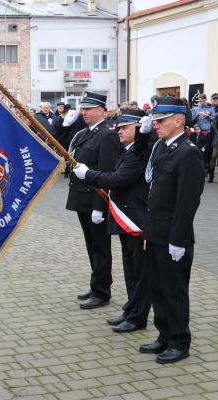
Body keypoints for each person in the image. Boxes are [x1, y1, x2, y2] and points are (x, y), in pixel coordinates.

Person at [73, 109, 151, 333]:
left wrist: (88, 175)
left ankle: (138, 317)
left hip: (136, 220)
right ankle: (131, 310)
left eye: (125, 127)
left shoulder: (140, 152)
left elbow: (117, 179)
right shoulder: (128, 150)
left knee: (139, 273)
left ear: (139, 129)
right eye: (119, 127)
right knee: (130, 270)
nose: (119, 131)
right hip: (126, 219)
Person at [140, 97, 205, 364]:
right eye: (155, 121)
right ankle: (164, 335)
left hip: (173, 237)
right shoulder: (162, 147)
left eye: (161, 121)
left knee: (174, 291)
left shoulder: (188, 153)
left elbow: (187, 202)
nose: (156, 125)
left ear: (179, 121)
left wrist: (177, 240)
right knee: (157, 288)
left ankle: (179, 342)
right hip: (155, 232)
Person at [66, 92, 122, 309]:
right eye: (83, 109)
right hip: (82, 198)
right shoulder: (84, 133)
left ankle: (102, 292)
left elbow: (106, 172)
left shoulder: (107, 135)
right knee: (92, 246)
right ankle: (96, 284)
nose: (84, 112)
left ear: (102, 111)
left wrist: (100, 207)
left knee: (100, 247)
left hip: (95, 200)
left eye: (89, 109)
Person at [191, 94, 217, 178]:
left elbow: (214, 119)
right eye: (200, 101)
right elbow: (191, 119)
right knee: (197, 150)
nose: (201, 102)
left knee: (206, 150)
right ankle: (197, 168)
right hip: (198, 132)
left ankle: (206, 168)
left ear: (206, 100)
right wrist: (197, 114)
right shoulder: (195, 108)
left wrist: (207, 116)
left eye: (203, 101)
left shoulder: (210, 108)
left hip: (207, 132)